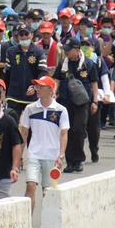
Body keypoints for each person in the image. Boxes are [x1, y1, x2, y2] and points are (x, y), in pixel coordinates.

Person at [18, 76, 69, 211]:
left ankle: (49, 223)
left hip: (51, 156)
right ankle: (27, 222)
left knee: (47, 191)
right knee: (30, 186)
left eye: (41, 86)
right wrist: (20, 156)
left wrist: (61, 154)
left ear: (50, 90)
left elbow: (64, 133)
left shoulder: (61, 110)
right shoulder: (30, 108)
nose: (37, 89)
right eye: (37, 86)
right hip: (33, 154)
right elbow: (24, 133)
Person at [53, 37, 99, 172]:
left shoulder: (88, 64)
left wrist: (95, 101)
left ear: (77, 50)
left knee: (78, 130)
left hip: (82, 103)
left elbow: (94, 84)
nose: (66, 53)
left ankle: (78, 160)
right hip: (65, 102)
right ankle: (70, 162)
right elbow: (57, 80)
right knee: (66, 131)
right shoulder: (63, 64)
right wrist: (54, 93)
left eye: (69, 50)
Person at [3, 23, 47, 118]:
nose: (24, 37)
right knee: (12, 125)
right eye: (21, 35)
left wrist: (35, 87)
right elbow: (7, 74)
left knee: (32, 127)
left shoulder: (39, 52)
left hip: (32, 96)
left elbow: (42, 73)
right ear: (17, 36)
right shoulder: (10, 52)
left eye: (26, 34)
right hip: (13, 96)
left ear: (31, 35)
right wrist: (4, 93)